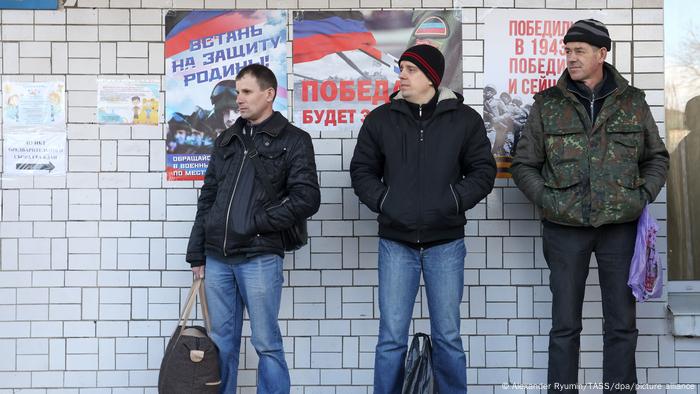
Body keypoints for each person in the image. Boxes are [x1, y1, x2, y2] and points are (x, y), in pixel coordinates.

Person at [511, 19, 669, 393]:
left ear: (602, 54)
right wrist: (549, 200)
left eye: (579, 51)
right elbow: (524, 164)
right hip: (564, 230)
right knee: (565, 325)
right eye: (567, 51)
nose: (571, 57)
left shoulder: (633, 102)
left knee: (621, 325)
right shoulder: (548, 104)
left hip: (620, 228)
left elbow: (657, 157)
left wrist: (640, 195)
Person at [350, 44, 496, 394]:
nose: (401, 75)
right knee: (391, 339)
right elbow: (361, 171)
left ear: (431, 77)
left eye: (410, 69)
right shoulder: (382, 119)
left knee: (447, 337)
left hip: (446, 243)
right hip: (396, 243)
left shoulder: (464, 120)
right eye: (401, 68)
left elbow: (482, 172)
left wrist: (453, 200)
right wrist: (386, 201)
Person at [186, 64, 321, 393]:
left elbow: (307, 198)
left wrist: (258, 221)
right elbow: (209, 198)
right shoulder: (227, 139)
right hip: (218, 258)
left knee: (266, 344)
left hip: (260, 257)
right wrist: (197, 253)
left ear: (269, 94)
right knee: (221, 345)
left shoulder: (294, 140)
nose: (239, 99)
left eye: (246, 92)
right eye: (237, 92)